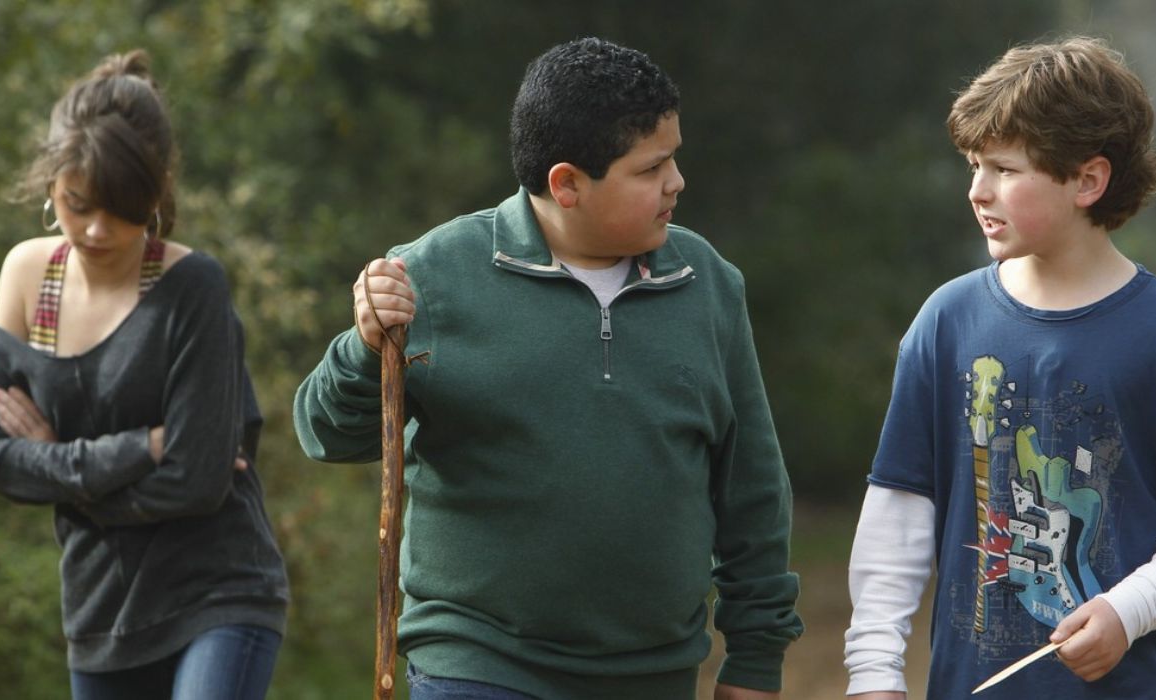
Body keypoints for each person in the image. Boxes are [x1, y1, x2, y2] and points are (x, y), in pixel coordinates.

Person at [294, 37, 803, 699]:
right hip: (476, 666)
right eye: (651, 169)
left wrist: (757, 657)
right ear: (567, 185)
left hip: (652, 675)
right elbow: (327, 433)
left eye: (673, 159)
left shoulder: (705, 284)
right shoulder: (433, 275)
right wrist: (362, 348)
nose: (676, 182)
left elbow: (752, 489)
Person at [842, 37, 1156, 699]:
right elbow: (900, 504)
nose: (978, 190)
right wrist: (872, 669)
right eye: (975, 165)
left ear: (1088, 181)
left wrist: (1128, 611)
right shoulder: (947, 321)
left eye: (1005, 169)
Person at [0, 50, 289, 700]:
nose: (94, 228)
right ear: (52, 183)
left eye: (120, 207)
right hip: (99, 614)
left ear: (158, 190)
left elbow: (199, 483)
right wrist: (141, 448)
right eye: (77, 202)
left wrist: (56, 464)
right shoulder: (29, 277)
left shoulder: (194, 285)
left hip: (219, 592)